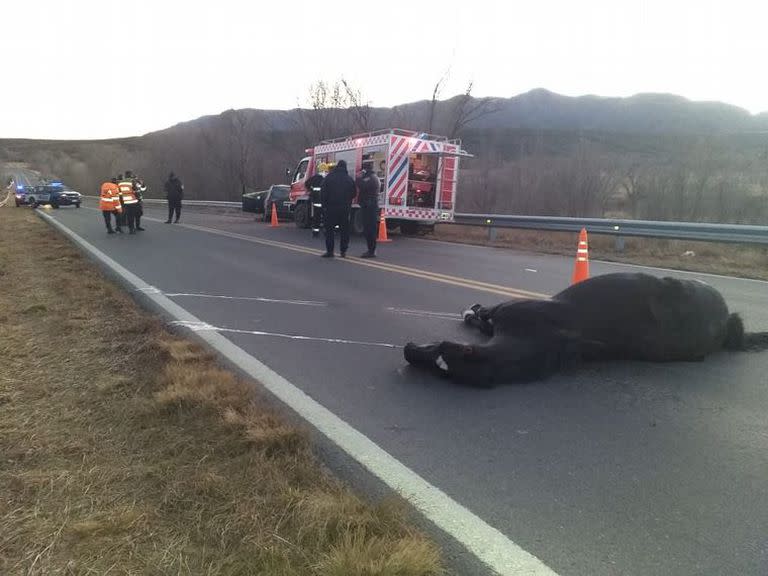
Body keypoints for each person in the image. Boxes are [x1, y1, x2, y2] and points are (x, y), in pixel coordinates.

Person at [319, 159, 355, 258]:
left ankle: (330, 251)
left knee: (329, 230)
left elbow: (323, 193)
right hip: (344, 209)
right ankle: (343, 251)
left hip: (331, 208)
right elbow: (354, 193)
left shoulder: (329, 178)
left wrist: (324, 206)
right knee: (344, 231)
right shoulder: (349, 179)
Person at [355, 162, 381, 258]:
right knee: (368, 228)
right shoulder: (372, 177)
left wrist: (358, 178)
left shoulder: (370, 178)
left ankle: (371, 250)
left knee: (369, 229)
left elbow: (362, 185)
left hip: (370, 206)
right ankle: (371, 250)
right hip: (369, 205)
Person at [305, 163, 328, 237]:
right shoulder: (328, 178)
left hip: (316, 202)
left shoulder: (315, 178)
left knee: (316, 218)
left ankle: (315, 233)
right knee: (326, 218)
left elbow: (307, 183)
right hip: (326, 203)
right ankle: (326, 232)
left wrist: (311, 189)